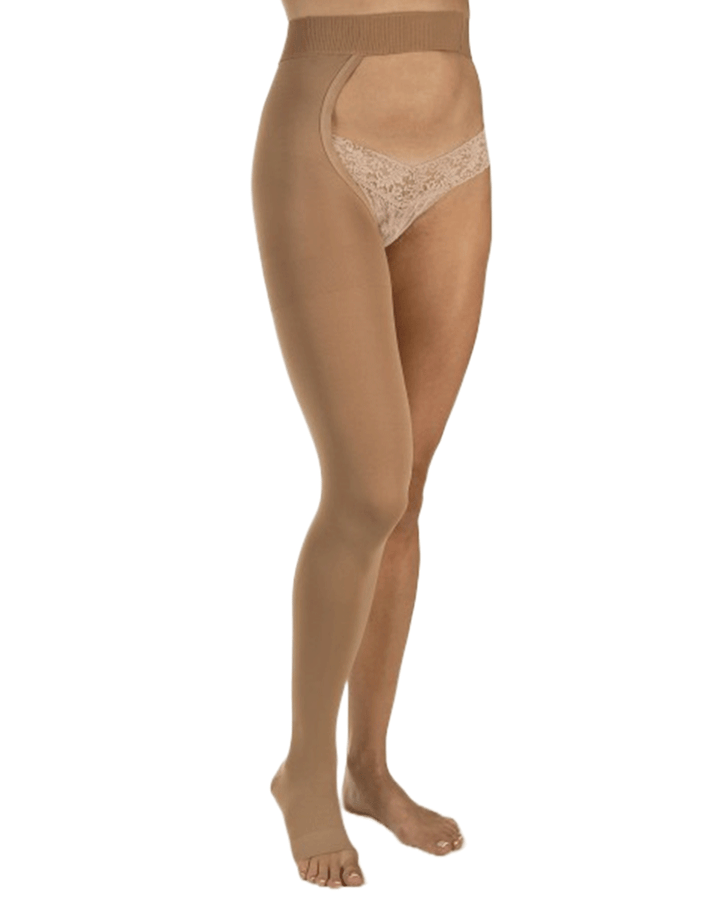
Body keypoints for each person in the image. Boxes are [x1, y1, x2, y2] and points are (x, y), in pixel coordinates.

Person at [251, 0, 491, 887]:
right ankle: (305, 768)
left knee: (406, 490)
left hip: (459, 149)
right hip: (327, 145)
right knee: (366, 489)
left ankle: (369, 769)